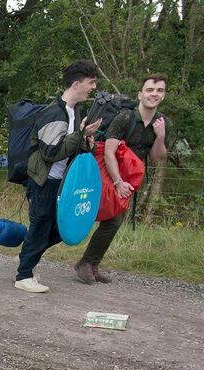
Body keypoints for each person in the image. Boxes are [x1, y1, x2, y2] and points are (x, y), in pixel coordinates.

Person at [14, 60, 102, 293]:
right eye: (91, 83)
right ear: (76, 84)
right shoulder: (54, 112)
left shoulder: (74, 112)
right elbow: (51, 152)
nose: (93, 88)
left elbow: (69, 147)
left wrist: (86, 143)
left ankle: (26, 257)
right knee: (41, 227)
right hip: (45, 182)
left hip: (62, 183)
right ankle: (23, 275)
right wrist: (79, 134)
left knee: (61, 230)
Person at [74, 74, 170, 285]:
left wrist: (160, 136)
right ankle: (86, 263)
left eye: (159, 91)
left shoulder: (162, 122)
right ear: (140, 94)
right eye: (150, 90)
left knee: (114, 220)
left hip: (130, 176)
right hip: (109, 170)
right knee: (108, 217)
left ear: (163, 96)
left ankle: (90, 264)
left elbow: (155, 156)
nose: (154, 94)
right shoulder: (125, 117)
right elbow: (108, 152)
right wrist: (117, 182)